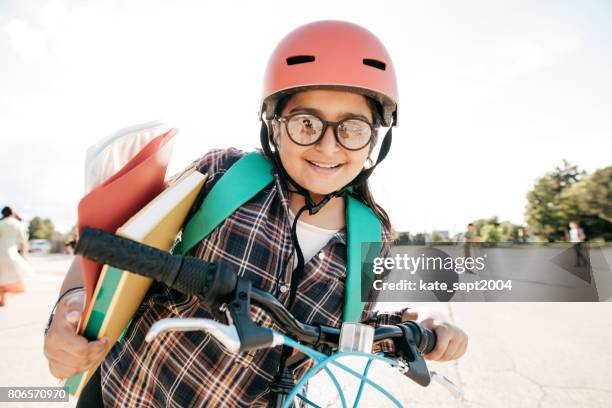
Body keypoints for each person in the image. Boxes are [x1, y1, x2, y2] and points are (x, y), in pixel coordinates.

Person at [43, 21, 468, 407]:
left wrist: (421, 330)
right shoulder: (224, 175)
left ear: (376, 139)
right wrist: (70, 307)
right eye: (306, 123)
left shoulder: (370, 236)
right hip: (126, 395)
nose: (328, 146)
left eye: (352, 128)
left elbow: (358, 328)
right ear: (274, 124)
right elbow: (114, 248)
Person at [0, 206, 34, 306]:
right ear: (12, 213)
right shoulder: (17, 224)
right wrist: (24, 255)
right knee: (13, 279)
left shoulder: (1, 223)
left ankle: (3, 297)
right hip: (11, 255)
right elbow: (23, 242)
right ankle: (4, 297)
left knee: (2, 277)